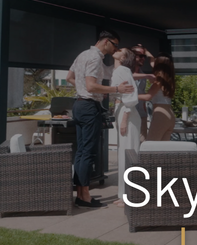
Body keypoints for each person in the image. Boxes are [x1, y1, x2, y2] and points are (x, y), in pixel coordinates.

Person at [66, 30, 133, 208]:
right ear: (106, 41)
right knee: (88, 153)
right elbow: (91, 85)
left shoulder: (83, 55)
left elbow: (70, 78)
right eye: (115, 44)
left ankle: (81, 194)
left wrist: (89, 89)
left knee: (81, 152)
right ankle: (84, 196)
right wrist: (116, 89)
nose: (116, 48)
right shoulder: (95, 58)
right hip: (89, 107)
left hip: (79, 105)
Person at [110, 48, 140, 207]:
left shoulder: (123, 71)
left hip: (127, 113)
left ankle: (130, 195)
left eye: (120, 50)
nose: (117, 49)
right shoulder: (118, 70)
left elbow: (131, 97)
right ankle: (124, 194)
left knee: (128, 153)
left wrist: (124, 119)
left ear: (124, 57)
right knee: (124, 154)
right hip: (121, 110)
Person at [139, 54, 176, 142]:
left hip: (160, 113)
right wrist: (147, 53)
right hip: (170, 114)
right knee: (162, 147)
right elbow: (153, 63)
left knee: (151, 145)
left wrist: (128, 95)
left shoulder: (159, 80)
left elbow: (147, 97)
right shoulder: (169, 79)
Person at [131, 44, 155, 142]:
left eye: (144, 56)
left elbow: (156, 66)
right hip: (129, 114)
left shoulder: (143, 74)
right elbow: (130, 76)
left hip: (141, 115)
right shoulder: (125, 71)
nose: (143, 58)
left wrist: (148, 54)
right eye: (140, 56)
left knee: (142, 144)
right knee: (130, 144)